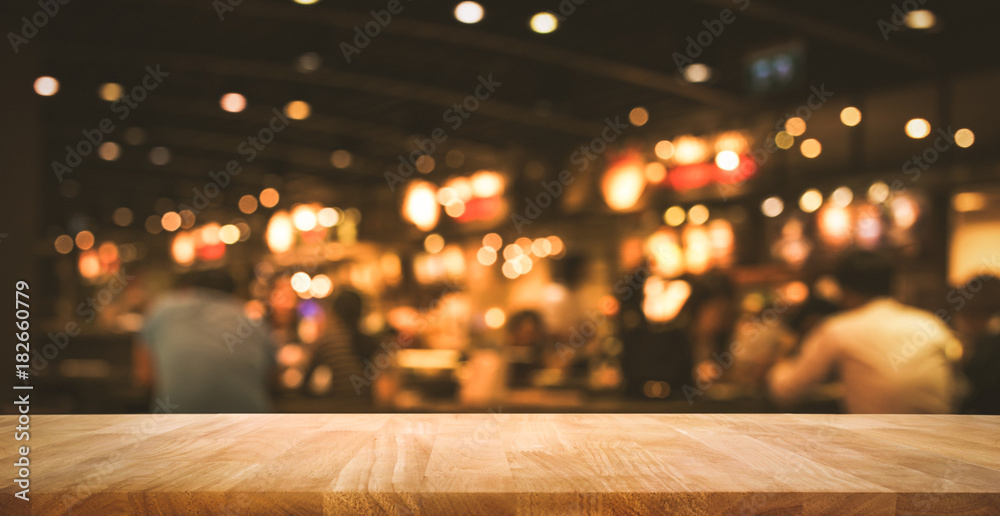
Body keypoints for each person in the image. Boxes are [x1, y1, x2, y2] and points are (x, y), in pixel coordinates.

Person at [767, 250, 960, 414]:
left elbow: (786, 391)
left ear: (844, 291)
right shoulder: (930, 323)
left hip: (879, 440)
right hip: (942, 436)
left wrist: (777, 360)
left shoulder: (838, 329)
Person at [137, 269, 276, 413]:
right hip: (250, 420)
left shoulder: (163, 308)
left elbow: (145, 377)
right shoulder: (249, 317)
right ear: (233, 294)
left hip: (177, 419)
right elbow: (271, 377)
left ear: (188, 289)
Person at [305, 289, 375, 401]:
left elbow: (307, 378)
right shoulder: (369, 341)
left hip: (341, 404)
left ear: (335, 313)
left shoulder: (328, 340)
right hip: (368, 405)